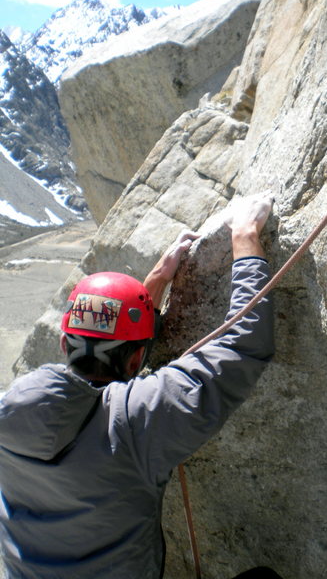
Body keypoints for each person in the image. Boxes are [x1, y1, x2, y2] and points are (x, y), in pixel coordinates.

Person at [0, 192, 278, 579]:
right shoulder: (134, 422)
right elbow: (245, 345)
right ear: (136, 359)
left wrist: (154, 284)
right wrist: (245, 236)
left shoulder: (9, 413)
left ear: (64, 343)